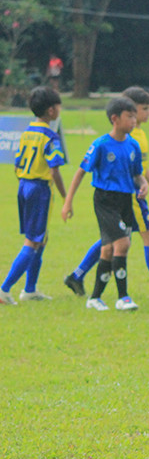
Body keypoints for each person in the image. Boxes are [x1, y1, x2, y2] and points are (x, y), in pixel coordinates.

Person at [64, 87, 149, 300]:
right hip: (127, 196)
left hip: (133, 191)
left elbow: (140, 168)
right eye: (143, 109)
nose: (147, 113)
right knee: (146, 238)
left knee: (113, 240)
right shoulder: (125, 137)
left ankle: (78, 275)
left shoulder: (135, 137)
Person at [61, 97, 148, 312]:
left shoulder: (132, 145)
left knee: (108, 249)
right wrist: (68, 202)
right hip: (105, 200)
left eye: (135, 116)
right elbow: (81, 172)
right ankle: (123, 297)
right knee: (123, 244)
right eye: (130, 117)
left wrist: (143, 184)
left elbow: (137, 174)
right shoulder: (100, 145)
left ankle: (95, 297)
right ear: (114, 119)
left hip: (125, 200)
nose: (134, 121)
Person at [1, 87, 66, 304]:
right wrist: (66, 196)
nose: (60, 110)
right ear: (51, 110)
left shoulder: (27, 132)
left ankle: (30, 290)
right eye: (58, 106)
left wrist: (25, 185)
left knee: (41, 238)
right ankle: (4, 289)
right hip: (40, 189)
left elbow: (17, 163)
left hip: (24, 185)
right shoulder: (50, 136)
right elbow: (54, 169)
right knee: (33, 240)